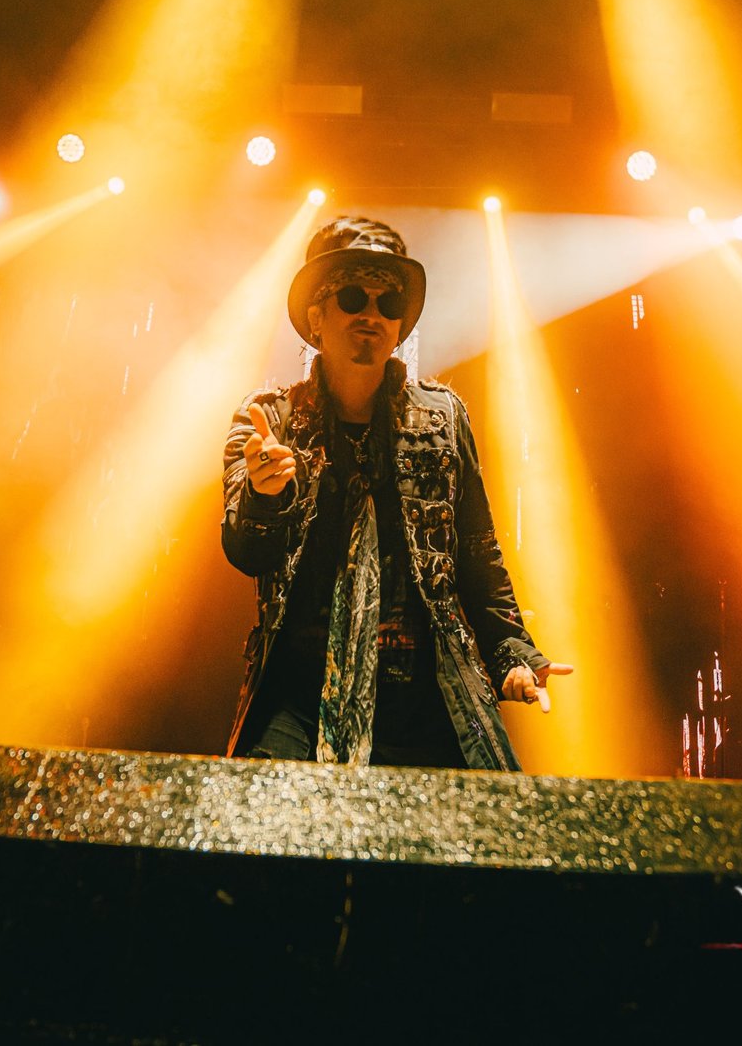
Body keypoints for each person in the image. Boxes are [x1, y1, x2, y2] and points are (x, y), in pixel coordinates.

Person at [221, 215, 571, 769]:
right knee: (270, 818)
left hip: (428, 692)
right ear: (316, 317)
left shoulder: (443, 417)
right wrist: (265, 496)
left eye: (388, 304)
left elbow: (477, 551)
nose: (371, 314)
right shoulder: (270, 419)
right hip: (299, 690)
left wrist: (511, 652)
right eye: (352, 296)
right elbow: (247, 553)